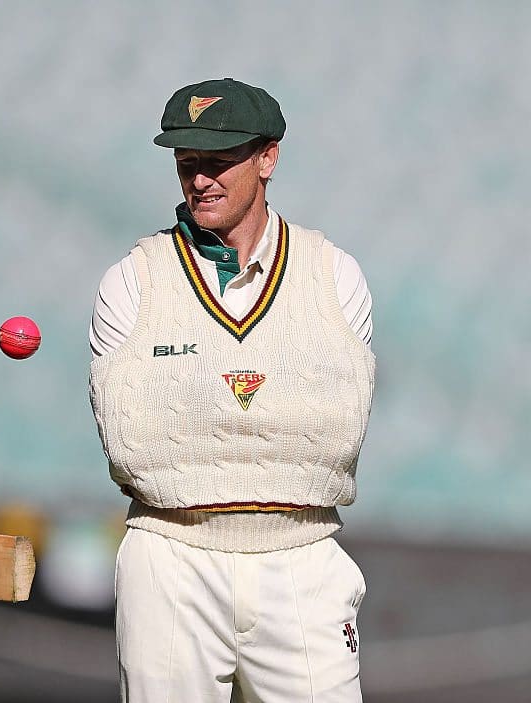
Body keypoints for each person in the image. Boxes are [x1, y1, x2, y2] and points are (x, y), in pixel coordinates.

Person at [88, 78, 375, 702]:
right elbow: (135, 446)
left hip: (302, 552)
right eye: (187, 164)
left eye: (218, 163)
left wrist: (199, 419)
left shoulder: (334, 274)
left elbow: (334, 433)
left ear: (268, 158)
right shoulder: (133, 280)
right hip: (170, 552)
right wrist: (266, 424)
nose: (200, 182)